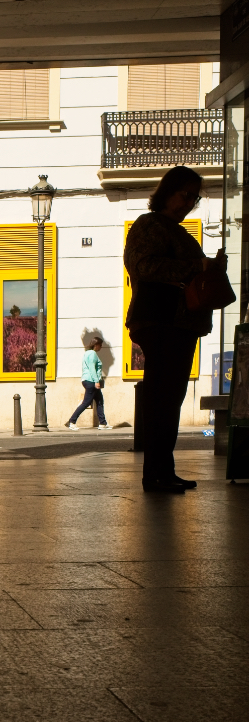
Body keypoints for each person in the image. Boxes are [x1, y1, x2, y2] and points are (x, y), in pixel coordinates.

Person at [124, 165, 224, 493]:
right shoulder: (150, 225)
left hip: (179, 324)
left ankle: (163, 470)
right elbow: (143, 266)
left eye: (195, 197)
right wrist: (198, 266)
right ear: (169, 192)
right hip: (161, 321)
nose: (191, 202)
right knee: (163, 398)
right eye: (187, 195)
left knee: (170, 398)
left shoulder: (177, 231)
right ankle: (155, 473)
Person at [65, 337, 112, 431]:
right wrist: (96, 381)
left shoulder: (88, 353)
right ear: (95, 345)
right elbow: (92, 368)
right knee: (86, 403)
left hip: (89, 380)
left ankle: (102, 423)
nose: (101, 347)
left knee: (99, 401)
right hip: (91, 381)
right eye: (100, 345)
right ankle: (72, 421)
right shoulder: (92, 354)